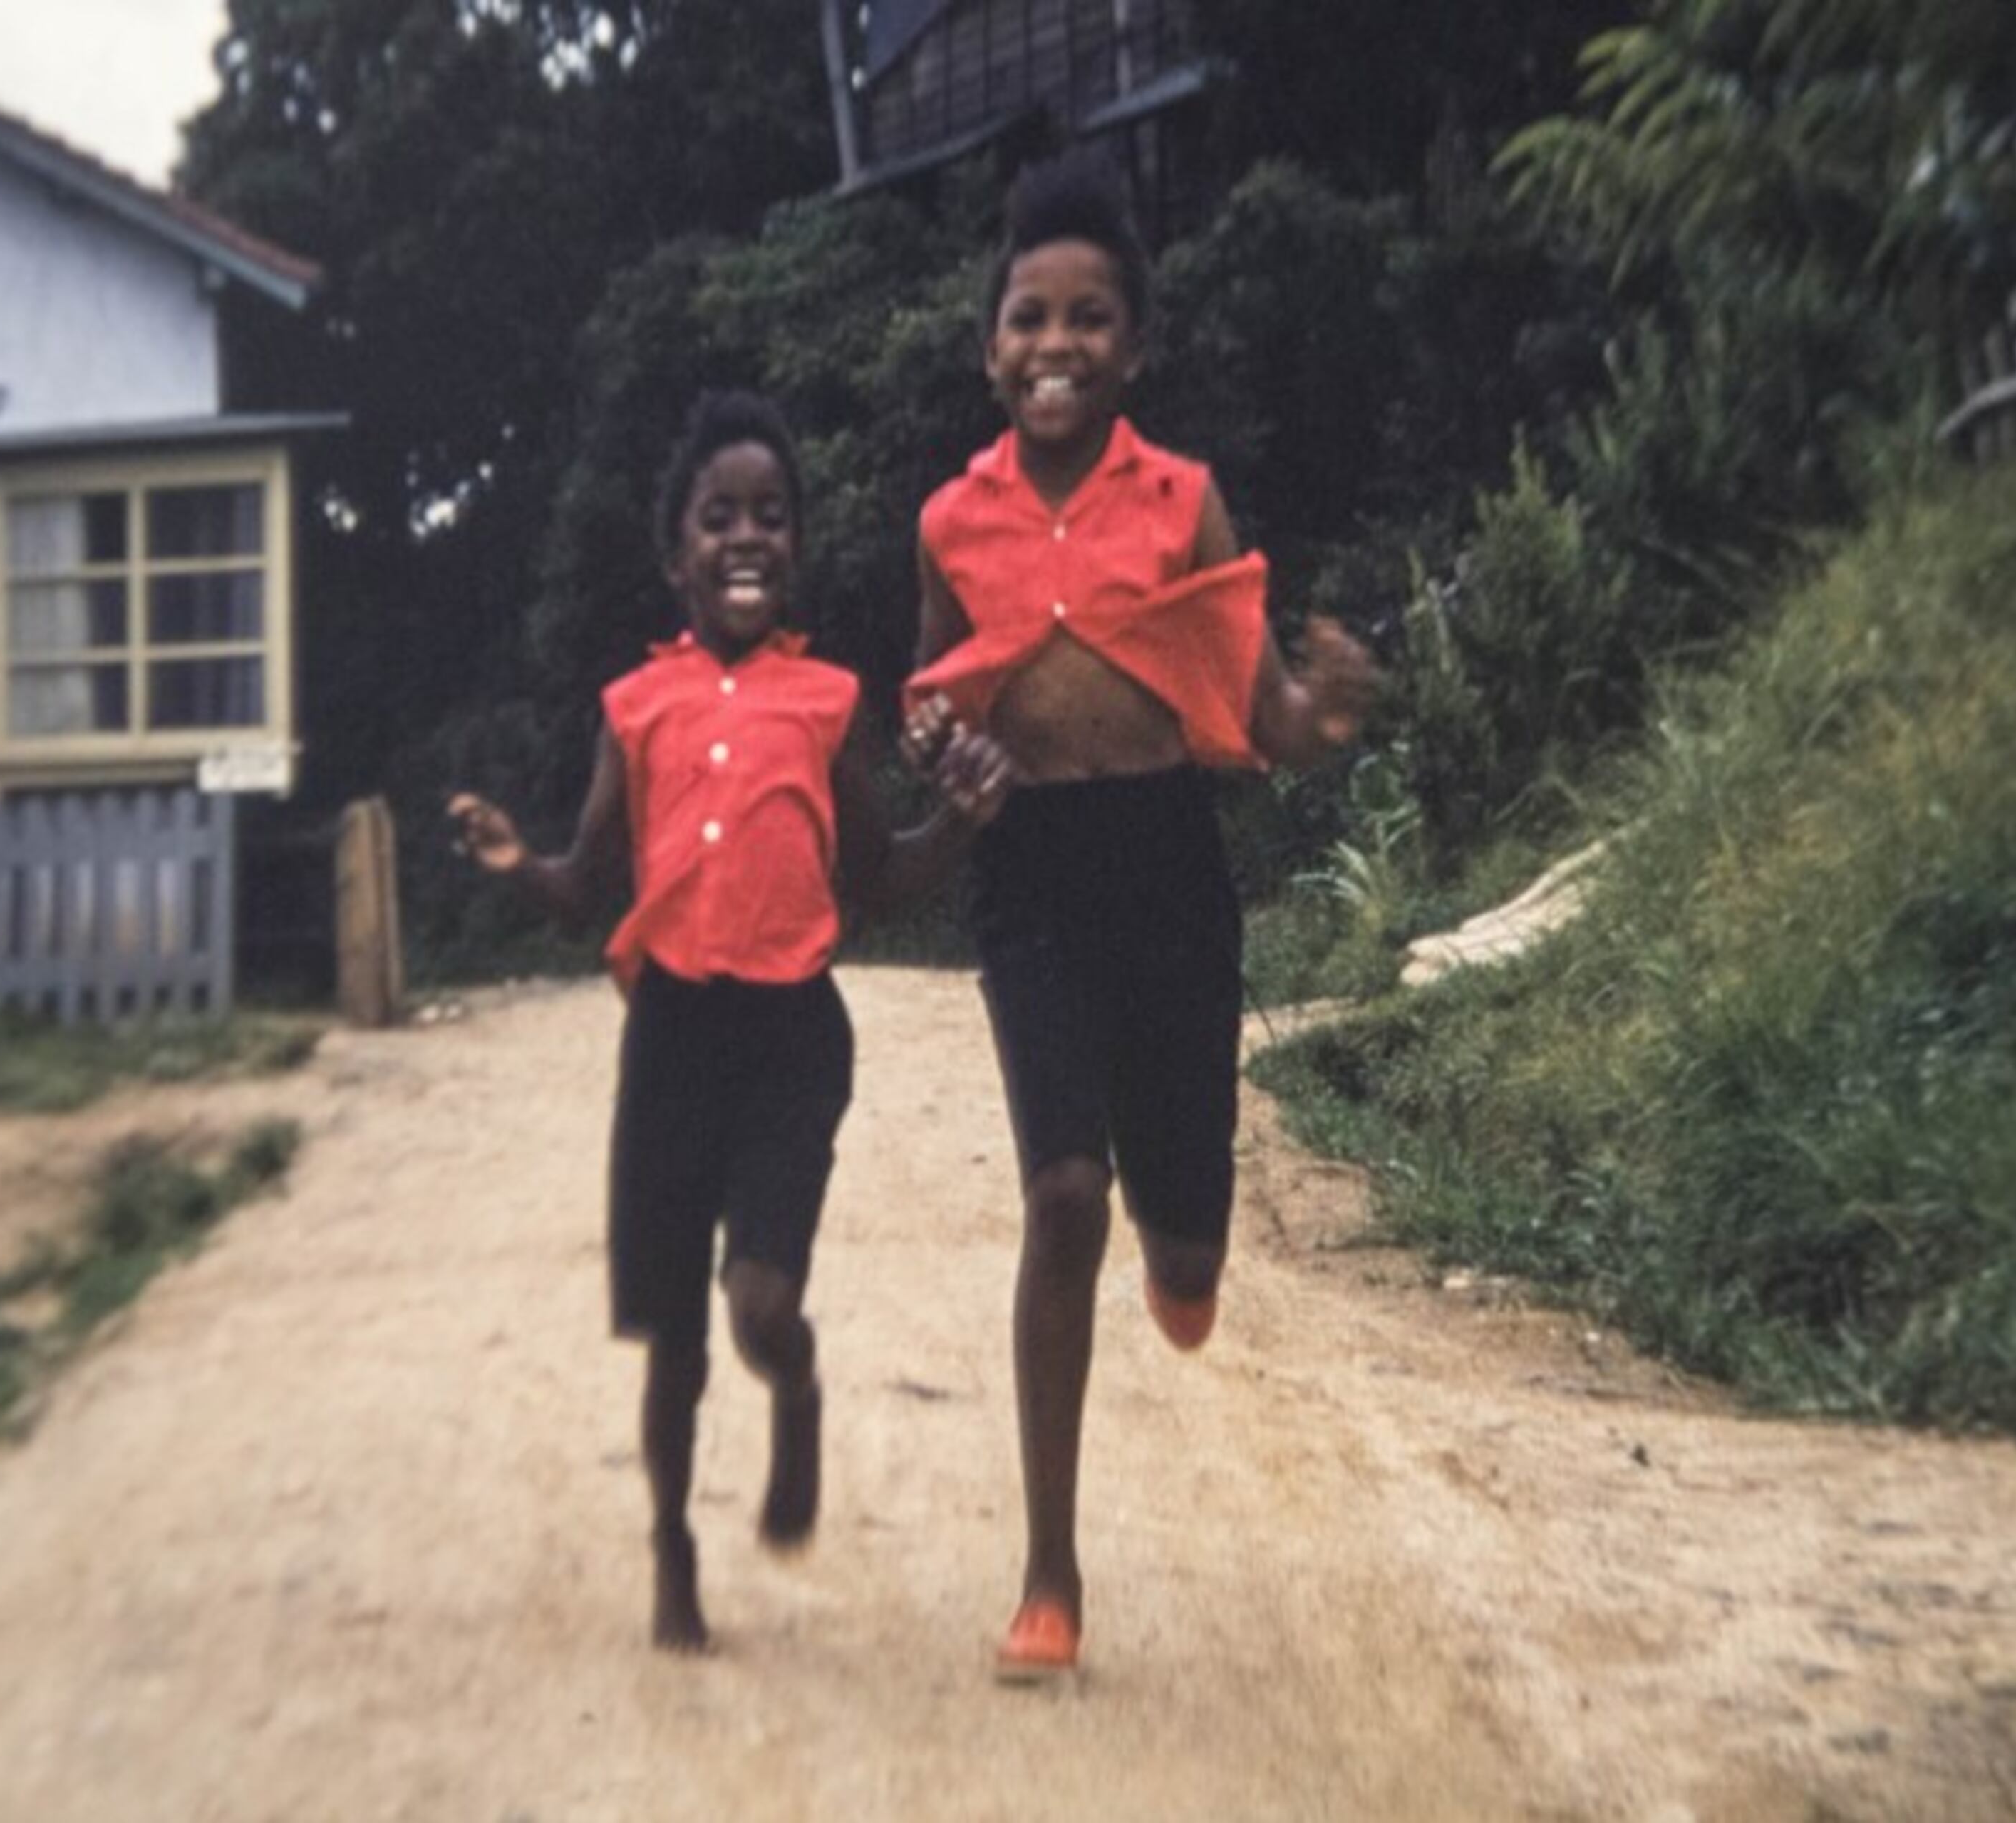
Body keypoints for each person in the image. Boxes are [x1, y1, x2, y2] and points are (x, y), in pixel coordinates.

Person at [904, 153, 1378, 1683]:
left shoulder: (1183, 503)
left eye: (1089, 317)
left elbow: (1264, 709)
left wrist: (1323, 715)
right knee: (1063, 1196)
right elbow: (931, 699)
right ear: (990, 346)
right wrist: (943, 754)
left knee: (1181, 1230)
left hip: (1169, 866)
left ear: (1137, 345)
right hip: (1029, 875)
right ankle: (1049, 1573)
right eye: (1029, 317)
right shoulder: (949, 521)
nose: (1057, 343)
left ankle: (1188, 1253)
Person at [451, 391, 1012, 1654]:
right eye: (719, 517)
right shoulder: (634, 708)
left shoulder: (826, 701)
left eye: (769, 515)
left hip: (791, 1042)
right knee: (673, 1337)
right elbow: (592, 886)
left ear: (795, 543)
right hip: (670, 1040)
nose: (745, 536)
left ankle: (795, 1385)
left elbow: (878, 875)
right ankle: (672, 1551)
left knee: (757, 1305)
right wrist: (517, 864)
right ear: (678, 554)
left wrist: (963, 819)